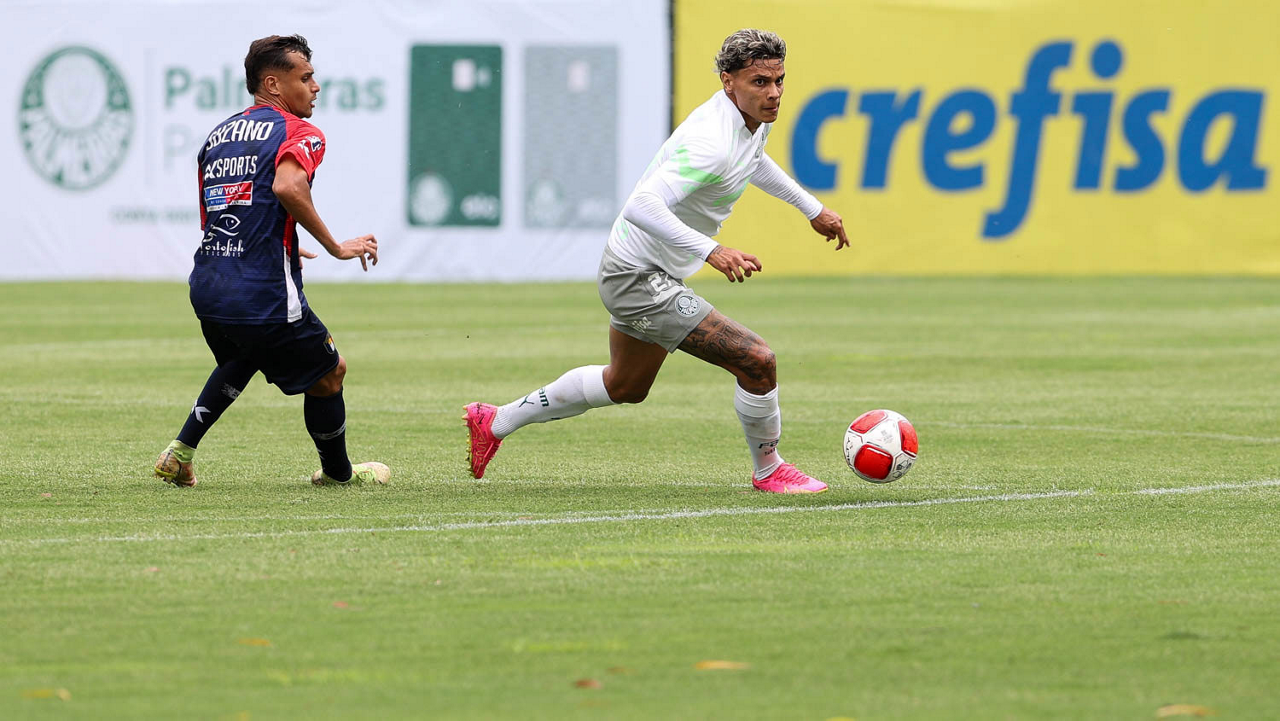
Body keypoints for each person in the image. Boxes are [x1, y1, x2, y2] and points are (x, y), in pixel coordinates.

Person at [465, 28, 848, 493]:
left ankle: (495, 420)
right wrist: (713, 250)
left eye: (779, 80)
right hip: (637, 276)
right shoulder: (711, 141)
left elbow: (754, 161)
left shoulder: (750, 120)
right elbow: (640, 206)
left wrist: (812, 208)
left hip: (646, 269)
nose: (774, 93)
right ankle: (769, 470)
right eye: (760, 82)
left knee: (625, 385)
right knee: (756, 360)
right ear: (728, 81)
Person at [153, 34, 389, 487]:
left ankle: (179, 453)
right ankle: (338, 475)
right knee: (330, 373)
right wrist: (337, 247)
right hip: (261, 290)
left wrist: (275, 240)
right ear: (273, 84)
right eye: (306, 77)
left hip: (209, 282)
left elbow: (223, 210)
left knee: (246, 355)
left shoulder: (218, 135)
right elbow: (286, 187)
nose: (315, 87)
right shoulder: (300, 131)